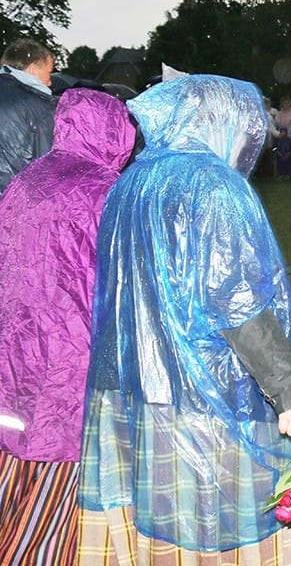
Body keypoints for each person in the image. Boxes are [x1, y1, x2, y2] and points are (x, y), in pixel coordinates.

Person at [78, 75, 291, 565]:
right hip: (206, 385)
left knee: (164, 504)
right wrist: (289, 387)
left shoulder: (132, 180)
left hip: (140, 382)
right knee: (216, 506)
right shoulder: (212, 185)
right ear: (221, 122)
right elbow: (234, 297)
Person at [0, 89, 135, 565]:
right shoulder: (104, 191)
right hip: (70, 352)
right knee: (58, 473)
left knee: (17, 449)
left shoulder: (27, 180)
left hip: (19, 346)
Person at [0, 38, 56, 195]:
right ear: (32, 70)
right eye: (49, 72)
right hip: (13, 202)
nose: (50, 82)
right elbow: (46, 167)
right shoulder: (40, 107)